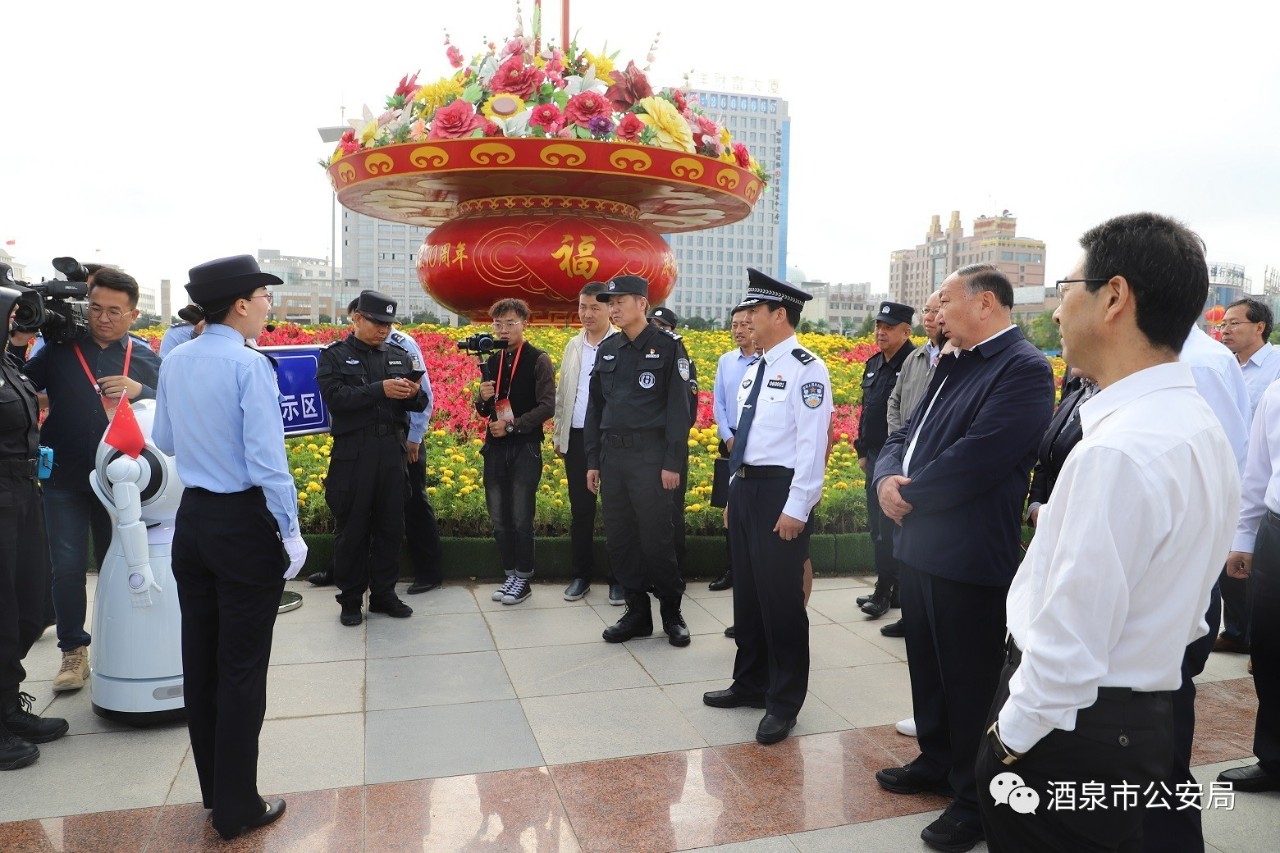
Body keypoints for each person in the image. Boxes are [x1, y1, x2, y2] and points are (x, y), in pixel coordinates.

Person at [978, 213, 1240, 852]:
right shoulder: (1194, 423)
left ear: (1115, 297)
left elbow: (1068, 643)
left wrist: (1007, 739)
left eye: (1067, 287)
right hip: (1137, 717)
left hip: (1072, 732)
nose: (1058, 309)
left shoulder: (1120, 451)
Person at [873, 262, 1055, 852]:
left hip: (970, 551)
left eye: (945, 301)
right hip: (922, 545)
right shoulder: (950, 361)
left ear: (985, 305)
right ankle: (937, 759)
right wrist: (884, 479)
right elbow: (904, 433)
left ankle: (976, 800)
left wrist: (910, 494)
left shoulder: (1022, 369)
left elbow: (984, 456)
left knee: (973, 680)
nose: (936, 313)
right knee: (927, 666)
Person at [152, 253, 307, 840]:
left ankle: (216, 789)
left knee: (203, 659)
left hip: (193, 524)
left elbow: (164, 437)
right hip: (242, 524)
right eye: (265, 297)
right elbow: (269, 462)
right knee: (242, 668)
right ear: (241, 304)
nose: (269, 306)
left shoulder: (178, 358)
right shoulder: (248, 366)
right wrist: (290, 531)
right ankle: (239, 807)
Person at [701, 269, 832, 745]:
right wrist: (734, 493)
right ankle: (750, 682)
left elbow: (810, 445)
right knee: (749, 596)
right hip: (748, 488)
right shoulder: (755, 367)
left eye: (754, 311)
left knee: (782, 603)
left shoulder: (806, 368)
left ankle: (783, 702)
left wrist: (798, 507)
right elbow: (745, 440)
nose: (746, 319)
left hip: (782, 491)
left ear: (780, 315)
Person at [22, 267, 162, 692]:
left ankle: (120, 640)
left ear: (133, 314)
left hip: (120, 482)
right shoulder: (60, 350)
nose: (103, 318)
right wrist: (17, 339)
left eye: (115, 311)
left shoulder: (142, 355)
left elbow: (175, 406)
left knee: (117, 563)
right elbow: (18, 382)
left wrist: (141, 390)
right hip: (64, 473)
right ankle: (73, 651)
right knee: (65, 567)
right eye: (96, 308)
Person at [308, 301, 445, 595]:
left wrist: (413, 404)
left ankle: (389, 592)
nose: (385, 329)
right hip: (355, 451)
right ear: (356, 318)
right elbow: (337, 398)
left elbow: (423, 399)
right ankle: (350, 597)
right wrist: (379, 389)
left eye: (388, 323)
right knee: (352, 524)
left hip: (396, 446)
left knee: (393, 522)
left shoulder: (399, 349)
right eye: (377, 322)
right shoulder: (334, 355)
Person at [584, 275, 692, 646]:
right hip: (613, 457)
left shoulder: (668, 347)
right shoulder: (609, 349)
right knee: (621, 537)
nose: (612, 309)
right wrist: (593, 461)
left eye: (619, 302)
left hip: (651, 458)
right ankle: (636, 613)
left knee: (657, 538)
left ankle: (671, 612)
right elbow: (596, 408)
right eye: (609, 303)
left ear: (642, 304)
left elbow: (681, 411)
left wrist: (672, 463)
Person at [0, 285, 68, 771]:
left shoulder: (7, 364)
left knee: (30, 607)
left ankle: (7, 703)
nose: (15, 322)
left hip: (23, 493)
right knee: (1, 612)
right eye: (9, 315)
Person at [474, 298, 555, 606]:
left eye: (510, 323)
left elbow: (547, 405)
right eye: (498, 324)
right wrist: (482, 399)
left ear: (525, 324)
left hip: (524, 448)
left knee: (521, 516)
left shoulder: (538, 359)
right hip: (495, 448)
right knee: (498, 515)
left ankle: (523, 577)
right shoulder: (491, 361)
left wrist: (513, 426)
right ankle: (510, 573)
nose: (503, 330)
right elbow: (485, 410)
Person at [1222, 375, 1280, 795]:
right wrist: (1244, 537)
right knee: (1270, 648)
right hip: (1276, 530)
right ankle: (1275, 759)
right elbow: (1258, 470)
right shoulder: (1277, 391)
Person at [875, 289, 944, 640]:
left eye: (937, 310)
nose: (932, 317)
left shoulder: (952, 359)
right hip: (903, 458)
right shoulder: (916, 359)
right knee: (899, 535)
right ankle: (906, 609)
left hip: (931, 466)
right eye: (928, 311)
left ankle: (916, 610)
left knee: (922, 538)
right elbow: (894, 402)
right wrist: (899, 448)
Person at [1215, 297, 1280, 658]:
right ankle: (1239, 631)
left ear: (1260, 327)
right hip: (1226, 478)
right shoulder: (1225, 367)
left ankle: (1260, 638)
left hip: (1261, 479)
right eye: (1223, 324)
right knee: (1233, 559)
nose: (1225, 331)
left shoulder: (1276, 369)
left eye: (1234, 324)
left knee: (1262, 570)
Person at [552, 283, 622, 604]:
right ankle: (581, 575)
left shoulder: (622, 344)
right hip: (578, 438)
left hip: (614, 440)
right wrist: (559, 434)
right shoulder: (573, 345)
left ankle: (618, 579)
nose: (587, 314)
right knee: (582, 510)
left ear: (610, 309)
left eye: (594, 307)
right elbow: (564, 393)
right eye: (582, 307)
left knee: (617, 511)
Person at [854, 301, 915, 619]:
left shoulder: (916, 363)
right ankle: (887, 588)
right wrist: (861, 450)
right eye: (878, 326)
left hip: (902, 457)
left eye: (888, 327)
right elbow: (867, 409)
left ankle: (889, 591)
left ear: (906, 331)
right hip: (876, 456)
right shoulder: (874, 363)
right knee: (878, 526)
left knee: (894, 526)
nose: (880, 332)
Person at [708, 306, 758, 593]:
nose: (738, 330)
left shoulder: (766, 361)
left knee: (753, 507)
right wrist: (728, 437)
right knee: (730, 507)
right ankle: (733, 568)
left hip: (759, 440)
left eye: (745, 324)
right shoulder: (726, 361)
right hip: (731, 439)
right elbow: (719, 405)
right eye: (734, 324)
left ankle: (753, 569)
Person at [648, 305, 699, 575]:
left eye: (662, 327)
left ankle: (675, 568)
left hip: (671, 447)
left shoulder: (682, 360)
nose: (656, 331)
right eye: (652, 326)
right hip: (646, 450)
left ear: (673, 330)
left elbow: (687, 411)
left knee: (671, 512)